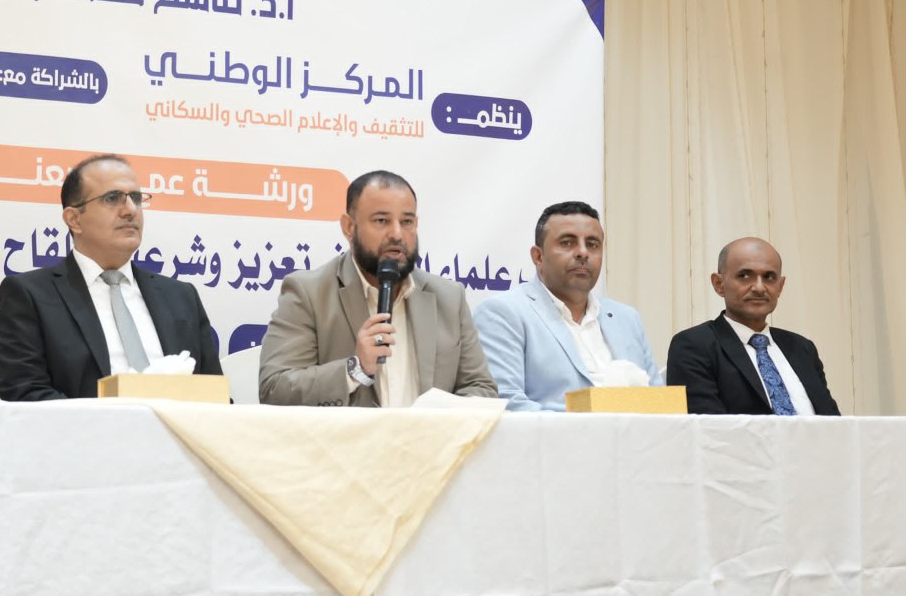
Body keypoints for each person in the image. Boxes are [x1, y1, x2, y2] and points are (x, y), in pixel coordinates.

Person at [258, 170, 497, 407]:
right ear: (349, 227)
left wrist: (442, 416)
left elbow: (481, 388)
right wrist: (354, 369)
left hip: (429, 433)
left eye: (407, 222)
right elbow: (274, 389)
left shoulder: (449, 298)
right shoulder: (309, 293)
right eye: (381, 221)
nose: (397, 234)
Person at [0, 153, 222, 400]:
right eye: (112, 198)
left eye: (136, 198)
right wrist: (114, 421)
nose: (131, 210)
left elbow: (216, 395)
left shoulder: (181, 297)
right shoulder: (30, 295)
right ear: (74, 219)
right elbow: (25, 393)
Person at [472, 201, 661, 411]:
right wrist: (595, 420)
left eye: (592, 244)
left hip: (636, 432)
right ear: (538, 256)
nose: (583, 253)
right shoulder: (503, 313)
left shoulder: (627, 318)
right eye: (567, 243)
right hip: (554, 433)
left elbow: (660, 402)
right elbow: (506, 404)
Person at [666, 237, 839, 415]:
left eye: (769, 277)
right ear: (719, 284)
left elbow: (835, 422)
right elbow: (708, 427)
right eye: (744, 276)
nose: (759, 287)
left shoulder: (802, 348)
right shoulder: (694, 346)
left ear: (780, 286)